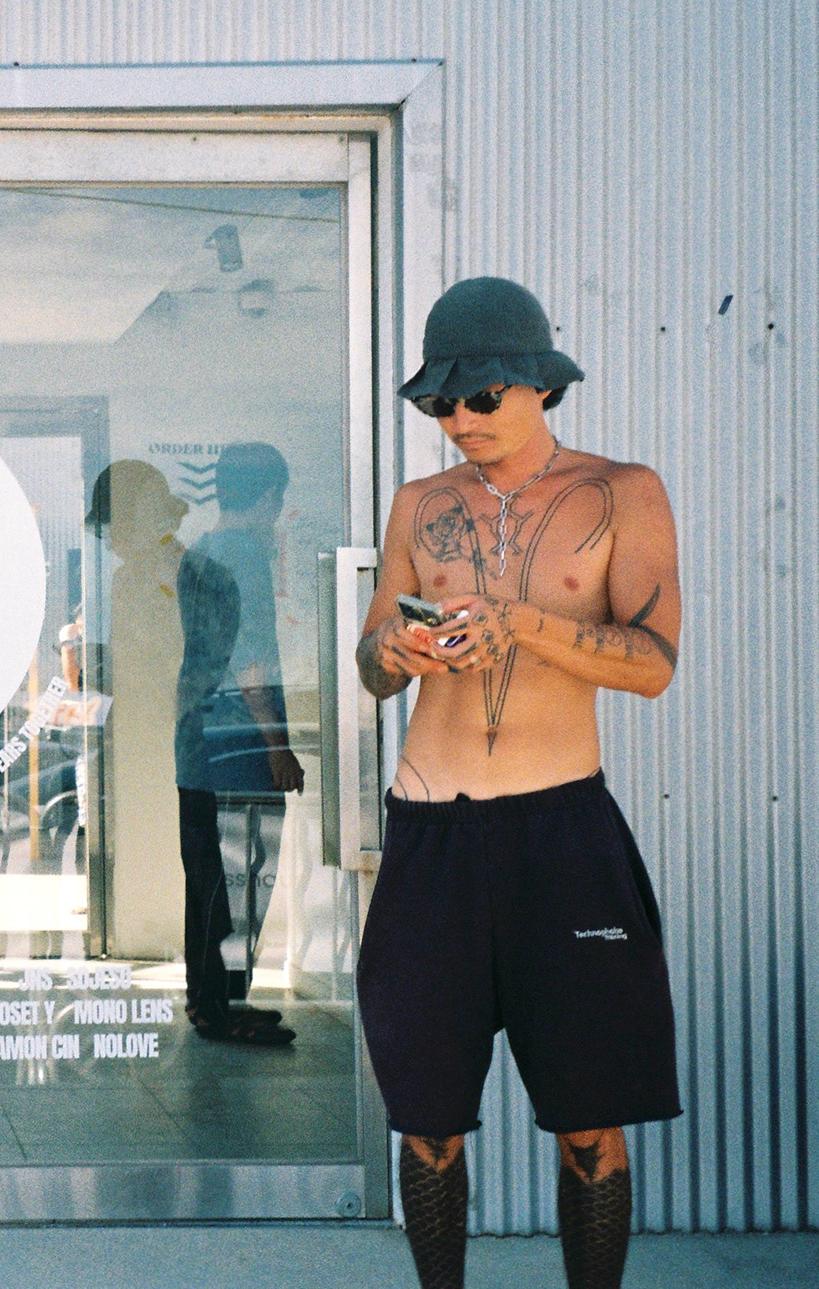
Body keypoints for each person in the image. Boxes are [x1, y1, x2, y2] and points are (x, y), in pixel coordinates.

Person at [355, 277, 681, 1289]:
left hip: (561, 832)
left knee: (589, 1120)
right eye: (439, 402)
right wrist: (395, 650)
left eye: (481, 396)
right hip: (432, 831)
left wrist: (525, 623)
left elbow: (654, 662)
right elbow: (370, 662)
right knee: (427, 1122)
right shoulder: (419, 505)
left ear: (540, 383)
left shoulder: (623, 490)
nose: (460, 420)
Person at [173, 443, 301, 1046]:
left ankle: (211, 1002)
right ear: (270, 495)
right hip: (236, 742)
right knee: (240, 878)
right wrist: (277, 746)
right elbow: (251, 663)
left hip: (197, 738)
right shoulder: (245, 554)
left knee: (208, 879)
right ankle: (224, 1008)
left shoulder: (200, 550)